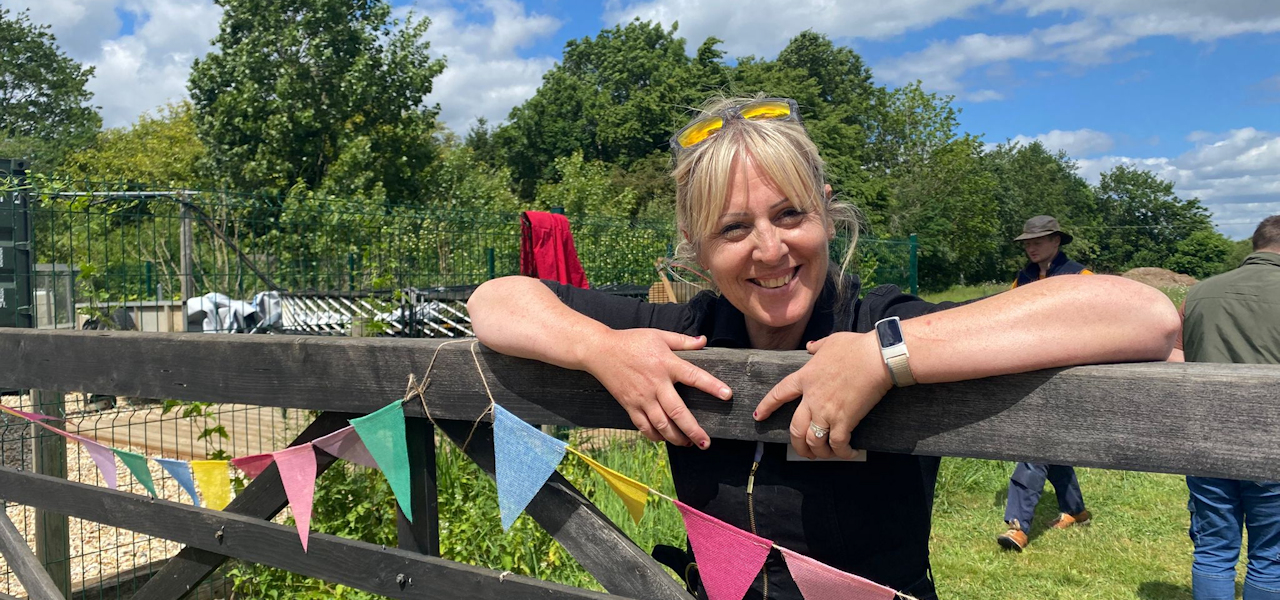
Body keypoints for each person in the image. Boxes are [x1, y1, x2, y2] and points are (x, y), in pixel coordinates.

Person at [468, 95, 1180, 600]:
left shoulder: (881, 318)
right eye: (734, 228)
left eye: (790, 215)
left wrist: (885, 356)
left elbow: (1143, 314)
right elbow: (495, 300)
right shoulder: (685, 327)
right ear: (697, 247)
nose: (771, 250)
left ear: (827, 212)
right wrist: (600, 348)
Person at [1176, 215, 1280, 600]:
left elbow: (1175, 356)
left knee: (1213, 548)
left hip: (1206, 438)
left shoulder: (1199, 292)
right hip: (1272, 439)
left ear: (1256, 246)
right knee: (1271, 553)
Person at [996, 215, 1095, 552]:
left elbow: (1099, 325)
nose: (1031, 246)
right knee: (1049, 445)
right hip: (1030, 374)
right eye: (1027, 241)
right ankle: (1076, 509)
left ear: (1057, 241)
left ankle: (1017, 526)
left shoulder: (1082, 278)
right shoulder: (1021, 279)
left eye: (1038, 240)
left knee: (1034, 448)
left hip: (1068, 376)